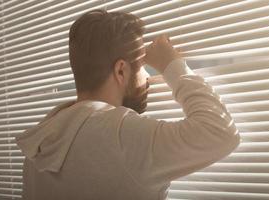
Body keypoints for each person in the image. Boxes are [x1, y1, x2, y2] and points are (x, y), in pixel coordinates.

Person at [15, 9, 240, 200]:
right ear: (121, 70)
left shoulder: (39, 144)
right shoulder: (122, 135)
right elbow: (220, 132)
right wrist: (172, 64)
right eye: (142, 66)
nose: (148, 78)